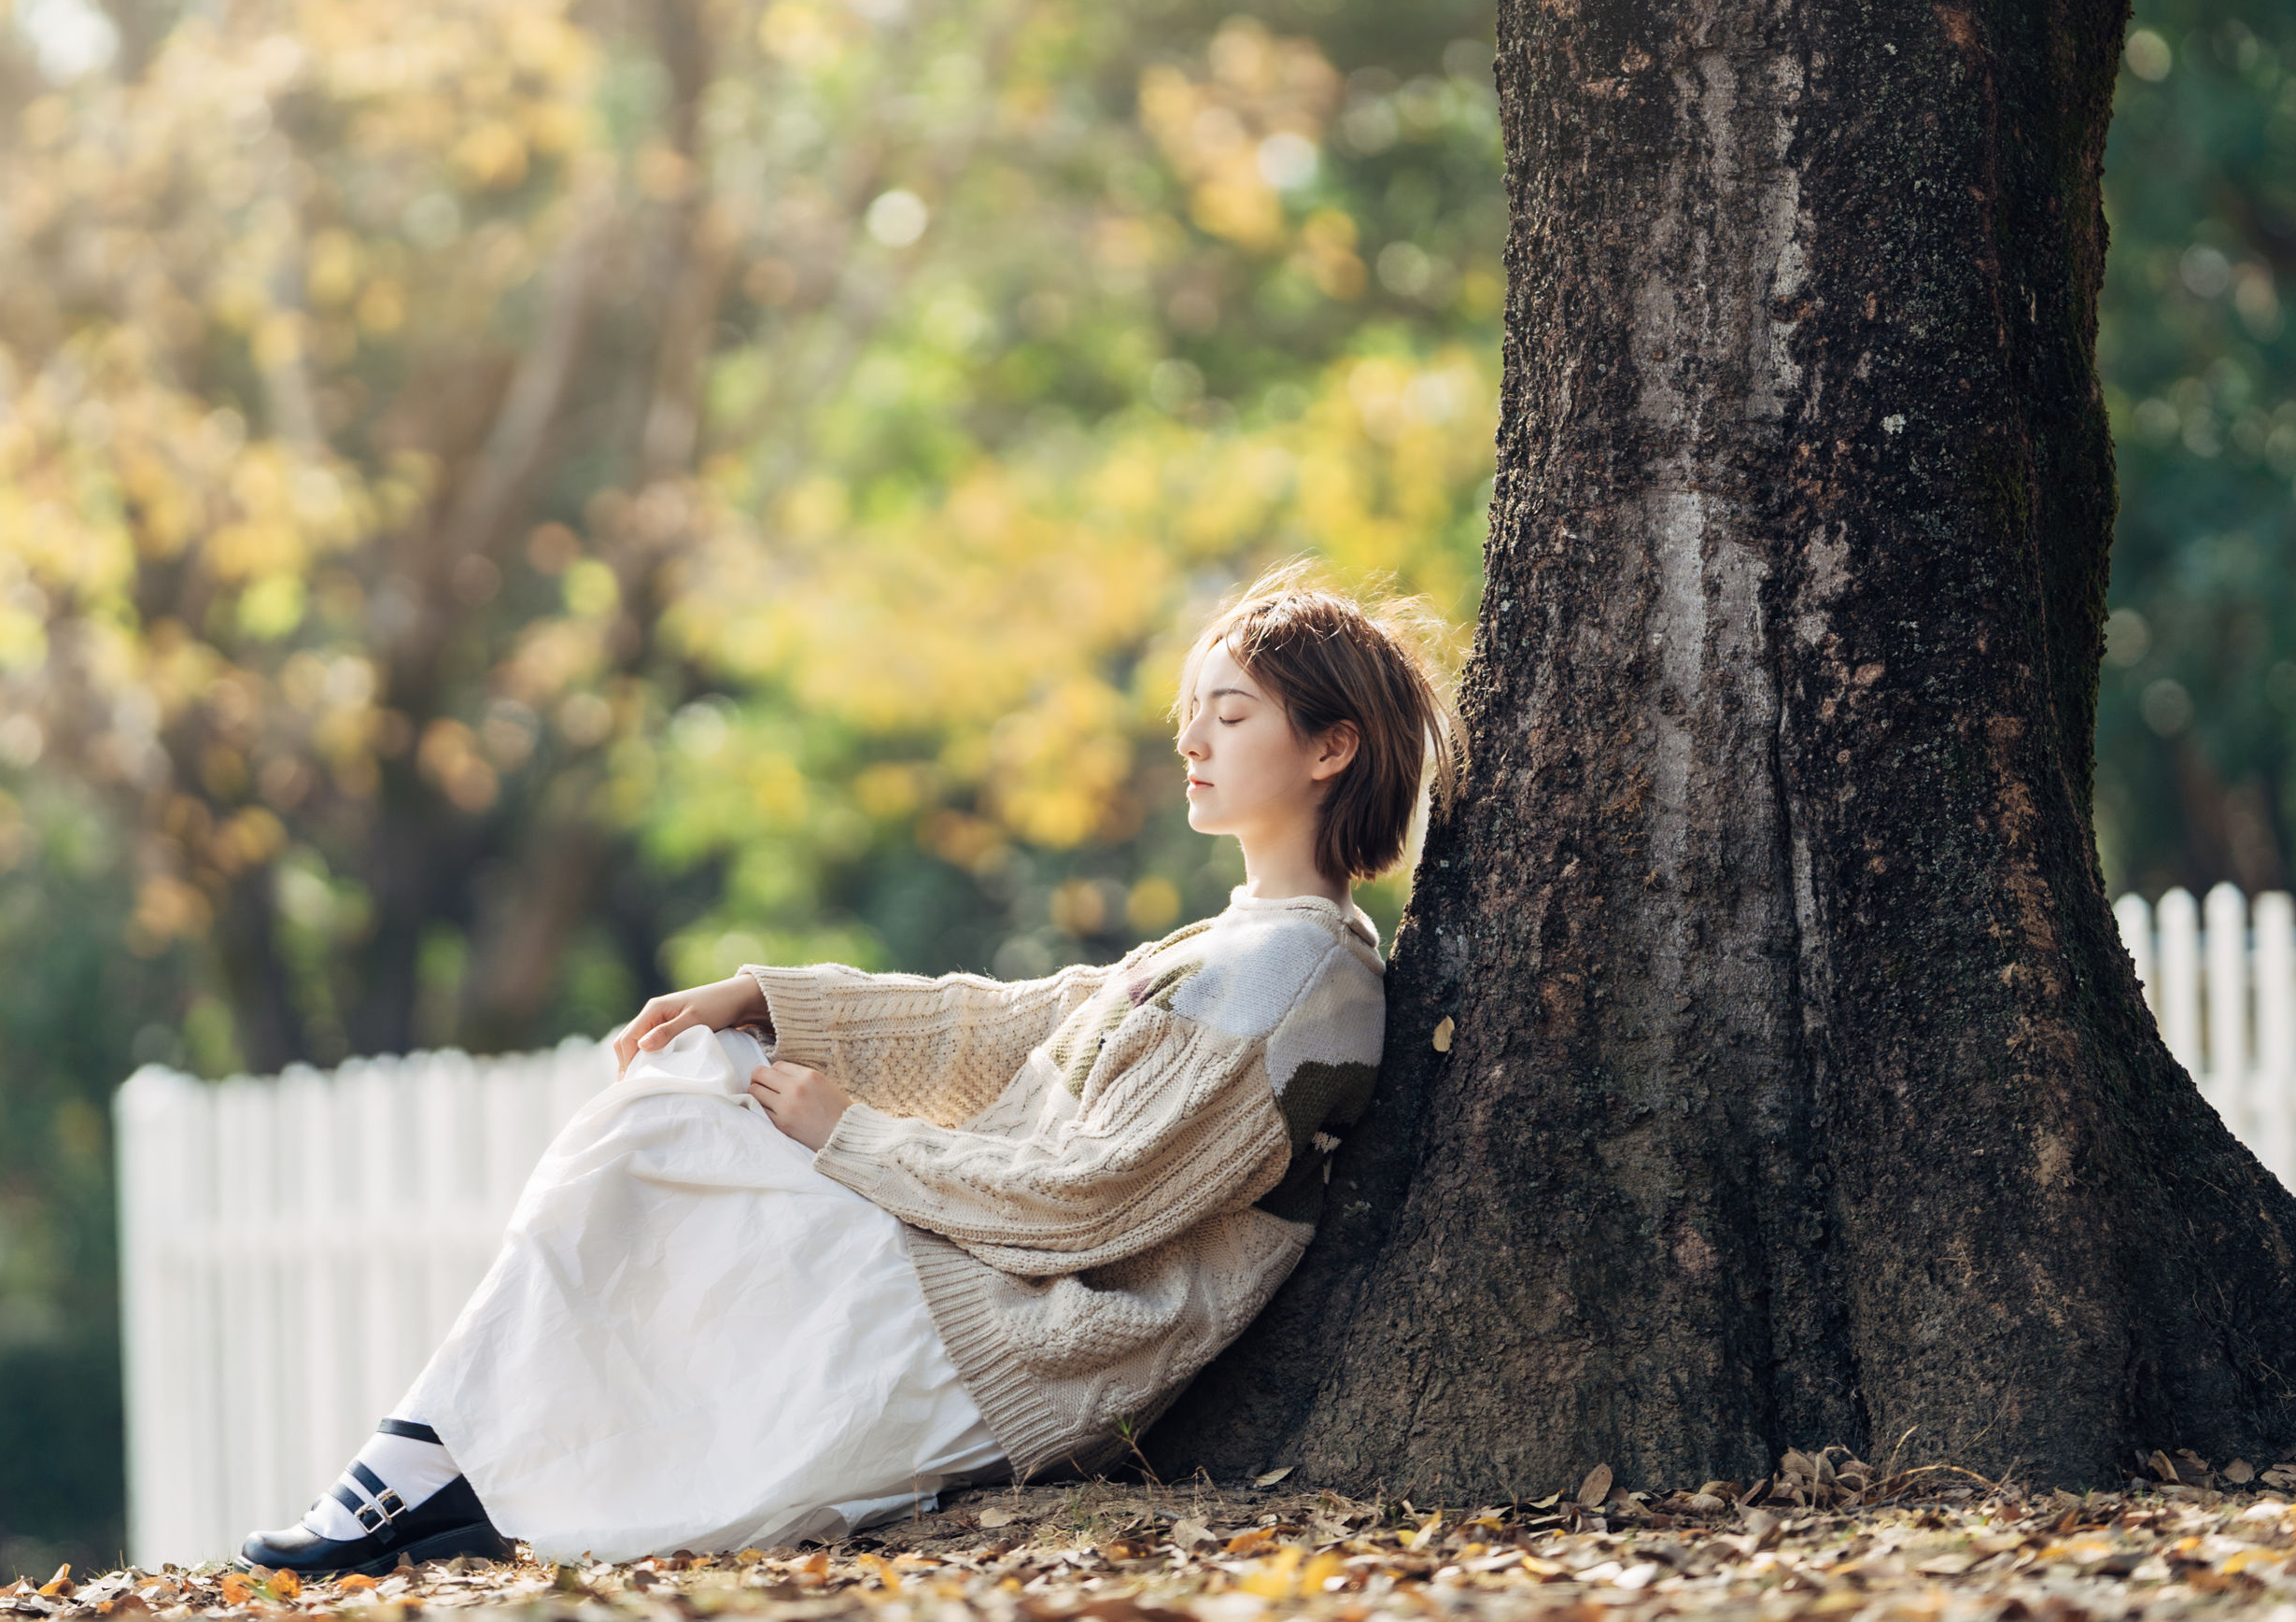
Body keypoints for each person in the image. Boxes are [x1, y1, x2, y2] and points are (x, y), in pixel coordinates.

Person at [238, 565, 1461, 1571]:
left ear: (1330, 747)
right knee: (698, 1077)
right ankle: (439, 1465)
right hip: (976, 1274)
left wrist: (847, 1136)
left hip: (1027, 1339)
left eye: (1231, 714)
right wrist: (771, 1002)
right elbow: (997, 1022)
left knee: (663, 1128)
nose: (1188, 738)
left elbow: (1085, 1202)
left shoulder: (1301, 992)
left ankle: (414, 1471)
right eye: (1191, 710)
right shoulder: (1230, 948)